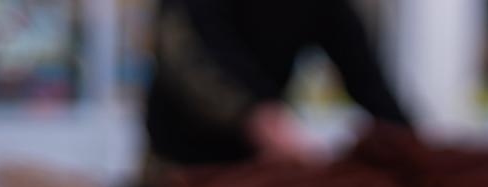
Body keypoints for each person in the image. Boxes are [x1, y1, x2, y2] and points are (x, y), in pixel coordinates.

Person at [144, 0, 412, 173]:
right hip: (183, 163)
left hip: (258, 167)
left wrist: (409, 143)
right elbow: (190, 57)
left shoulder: (324, 7)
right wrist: (260, 118)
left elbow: (366, 78)